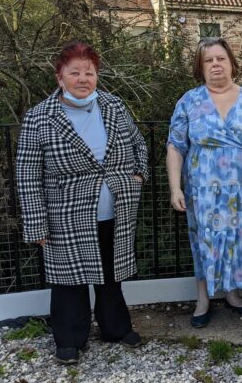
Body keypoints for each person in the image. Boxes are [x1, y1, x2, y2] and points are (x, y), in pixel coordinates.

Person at [16, 42, 148, 365]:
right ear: (59, 77)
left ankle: (116, 328)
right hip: (65, 217)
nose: (83, 78)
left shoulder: (114, 105)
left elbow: (138, 143)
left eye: (89, 72)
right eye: (74, 72)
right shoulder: (39, 117)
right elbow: (27, 174)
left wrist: (139, 175)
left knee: (111, 275)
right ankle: (70, 340)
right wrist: (36, 224)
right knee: (68, 281)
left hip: (116, 210)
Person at [166, 37, 242, 328]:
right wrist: (175, 188)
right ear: (200, 67)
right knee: (204, 240)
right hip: (203, 190)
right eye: (208, 60)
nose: (215, 64)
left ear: (231, 63)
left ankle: (233, 294)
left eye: (220, 58)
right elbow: (175, 146)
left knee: (239, 238)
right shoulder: (189, 101)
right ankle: (203, 299)